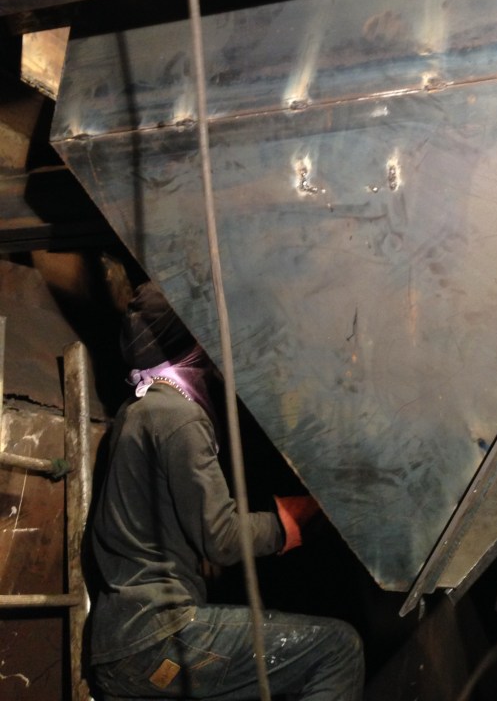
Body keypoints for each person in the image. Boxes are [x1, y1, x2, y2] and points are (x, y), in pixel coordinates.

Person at [87, 279, 364, 701]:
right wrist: (295, 520)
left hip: (119, 644)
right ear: (193, 342)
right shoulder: (178, 417)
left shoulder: (138, 410)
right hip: (158, 635)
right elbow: (222, 538)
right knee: (338, 648)